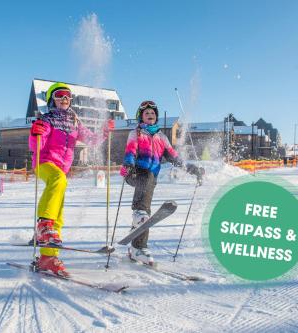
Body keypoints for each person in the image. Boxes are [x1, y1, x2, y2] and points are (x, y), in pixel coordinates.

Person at [28, 82, 114, 276]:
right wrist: (36, 133)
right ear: (51, 99)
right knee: (57, 179)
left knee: (59, 211)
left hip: (61, 169)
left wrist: (103, 133)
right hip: (44, 162)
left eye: (67, 95)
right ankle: (43, 225)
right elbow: (36, 146)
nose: (64, 99)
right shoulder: (47, 119)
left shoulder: (75, 121)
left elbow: (91, 140)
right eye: (59, 95)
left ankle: (48, 257)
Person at [120, 100, 204, 265]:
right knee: (144, 197)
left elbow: (174, 157)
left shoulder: (162, 137)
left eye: (152, 113)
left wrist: (192, 169)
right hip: (134, 173)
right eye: (146, 113)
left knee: (146, 207)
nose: (150, 115)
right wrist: (128, 165)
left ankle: (136, 247)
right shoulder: (136, 133)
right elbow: (130, 151)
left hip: (150, 178)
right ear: (141, 117)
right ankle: (139, 216)